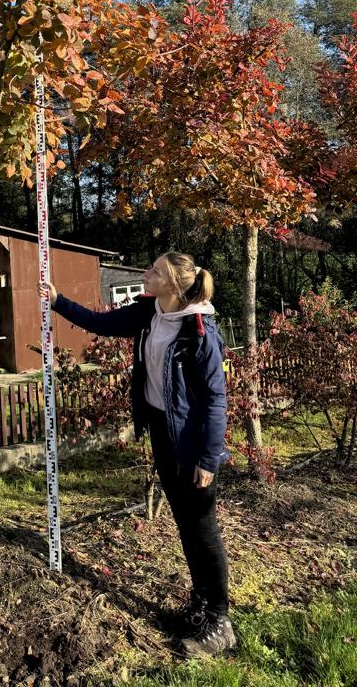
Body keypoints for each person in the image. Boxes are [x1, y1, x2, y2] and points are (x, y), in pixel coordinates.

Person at [41, 252, 235, 657]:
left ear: (173, 285)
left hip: (193, 441)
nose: (146, 274)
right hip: (164, 434)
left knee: (203, 527)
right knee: (185, 522)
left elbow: (216, 398)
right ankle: (199, 607)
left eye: (155, 271)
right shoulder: (149, 314)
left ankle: (219, 620)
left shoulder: (199, 330)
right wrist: (58, 301)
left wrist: (208, 458)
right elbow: (101, 322)